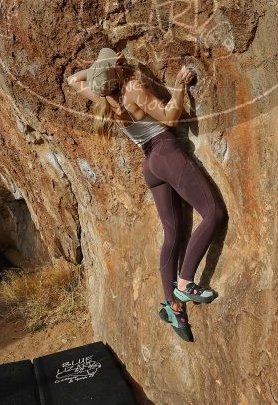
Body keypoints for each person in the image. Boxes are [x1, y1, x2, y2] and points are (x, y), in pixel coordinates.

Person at [66, 47, 228, 342]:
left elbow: (73, 80)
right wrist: (179, 86)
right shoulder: (132, 88)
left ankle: (173, 306)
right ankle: (185, 283)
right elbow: (169, 118)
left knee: (173, 235)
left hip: (150, 164)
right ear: (115, 71)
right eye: (116, 60)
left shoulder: (104, 97)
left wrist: (102, 72)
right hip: (167, 153)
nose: (121, 58)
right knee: (213, 213)